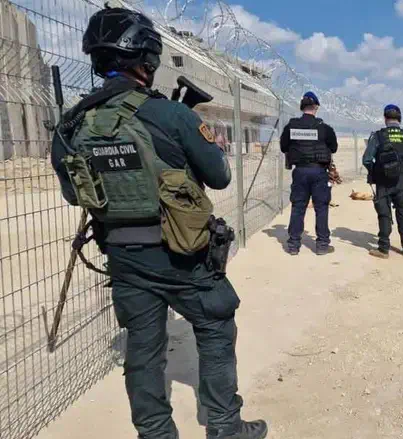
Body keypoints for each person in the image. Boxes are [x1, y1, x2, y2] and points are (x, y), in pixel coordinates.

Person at [50, 7, 267, 439]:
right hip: (183, 255)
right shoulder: (170, 114)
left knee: (144, 351)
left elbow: (76, 193)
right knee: (215, 324)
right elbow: (219, 176)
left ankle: (155, 433)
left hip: (123, 257)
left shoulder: (72, 124)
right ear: (147, 58)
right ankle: (224, 426)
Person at [280, 91, 338, 255]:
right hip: (319, 171)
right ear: (316, 107)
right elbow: (333, 147)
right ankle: (322, 245)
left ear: (302, 107)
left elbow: (284, 147)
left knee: (298, 207)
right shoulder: (324, 128)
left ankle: (293, 246)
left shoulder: (291, 126)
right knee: (321, 208)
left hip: (300, 171)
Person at [362, 104, 403, 259]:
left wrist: (378, 171)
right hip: (401, 182)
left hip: (382, 182)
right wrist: (400, 171)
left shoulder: (378, 136)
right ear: (399, 118)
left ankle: (383, 249)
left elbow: (367, 159)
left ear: (385, 118)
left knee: (384, 214)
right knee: (402, 213)